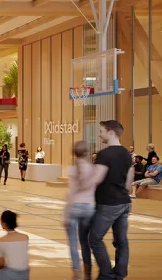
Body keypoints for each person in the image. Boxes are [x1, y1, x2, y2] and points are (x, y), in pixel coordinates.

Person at [89, 120, 133, 280]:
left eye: (101, 131)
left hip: (108, 203)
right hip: (124, 202)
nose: (99, 134)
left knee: (94, 238)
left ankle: (106, 274)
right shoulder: (127, 155)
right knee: (121, 240)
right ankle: (120, 274)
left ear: (111, 132)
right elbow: (129, 181)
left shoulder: (104, 154)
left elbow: (96, 179)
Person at [64, 141, 107, 280]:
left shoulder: (72, 169)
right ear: (87, 152)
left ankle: (76, 272)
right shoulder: (95, 168)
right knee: (85, 242)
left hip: (75, 207)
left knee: (72, 242)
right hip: (89, 207)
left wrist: (66, 213)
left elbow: (70, 192)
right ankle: (87, 273)